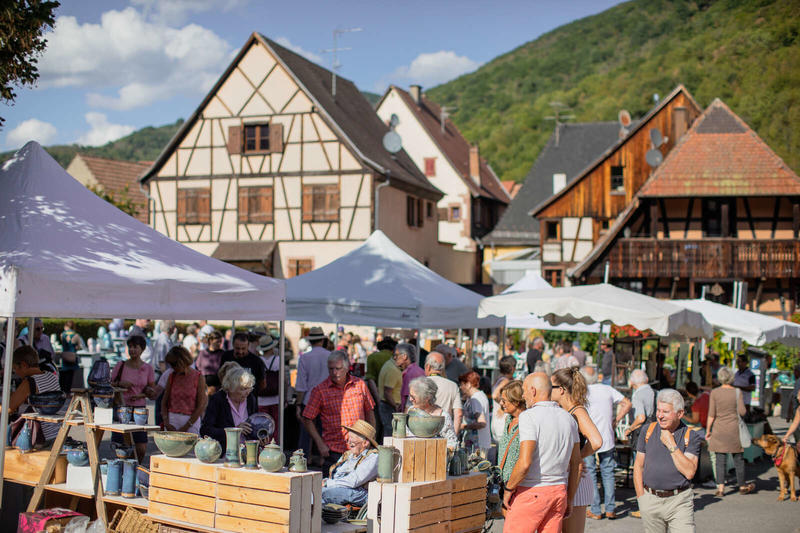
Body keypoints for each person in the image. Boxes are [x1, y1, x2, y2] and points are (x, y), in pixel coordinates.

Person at [502, 373, 581, 533]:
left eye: (524, 390)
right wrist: (570, 498)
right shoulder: (568, 418)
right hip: (558, 490)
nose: (523, 395)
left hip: (532, 490)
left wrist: (508, 489)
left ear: (533, 390)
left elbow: (525, 463)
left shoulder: (529, 417)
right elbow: (576, 463)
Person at [634, 389, 703, 533]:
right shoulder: (647, 430)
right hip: (650, 500)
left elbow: (690, 472)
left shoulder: (691, 436)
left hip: (679, 501)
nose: (659, 416)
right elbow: (638, 466)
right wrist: (641, 497)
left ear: (680, 414)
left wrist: (671, 444)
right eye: (658, 410)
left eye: (665, 412)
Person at [303, 351, 376, 472]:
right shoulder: (320, 390)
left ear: (347, 368)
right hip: (333, 452)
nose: (334, 372)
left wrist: (371, 438)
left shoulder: (360, 385)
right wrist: (319, 443)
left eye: (338, 368)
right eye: (331, 369)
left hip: (359, 450)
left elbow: (370, 411)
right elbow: (307, 418)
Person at [551, 367, 603, 533]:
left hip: (576, 480)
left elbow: (596, 441)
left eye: (550, 386)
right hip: (570, 477)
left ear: (561, 390)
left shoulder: (577, 411)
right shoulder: (566, 411)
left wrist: (577, 458)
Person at [581, 365, 631, 520]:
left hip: (589, 437)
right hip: (607, 436)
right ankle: (610, 509)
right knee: (608, 473)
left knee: (590, 473)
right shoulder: (607, 389)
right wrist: (616, 420)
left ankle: (595, 509)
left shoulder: (583, 392)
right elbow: (627, 403)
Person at [706, 366, 755, 496]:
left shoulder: (715, 392)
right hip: (734, 430)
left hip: (719, 429)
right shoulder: (737, 392)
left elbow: (711, 414)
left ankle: (721, 489)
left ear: (720, 378)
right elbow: (742, 412)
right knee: (738, 459)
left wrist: (708, 430)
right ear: (731, 378)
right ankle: (742, 486)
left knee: (720, 460)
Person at [111, 335, 158, 459]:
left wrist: (141, 395)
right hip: (121, 408)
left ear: (142, 349)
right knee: (121, 448)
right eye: (130, 347)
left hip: (139, 410)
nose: (132, 350)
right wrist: (120, 384)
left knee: (141, 447)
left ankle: (135, 470)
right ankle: (122, 472)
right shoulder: (120, 365)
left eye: (135, 347)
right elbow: (109, 384)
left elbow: (152, 391)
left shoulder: (148, 368)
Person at [8, 346, 61, 441]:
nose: (15, 372)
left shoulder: (29, 382)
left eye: (15, 368)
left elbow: (8, 408)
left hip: (43, 436)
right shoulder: (51, 376)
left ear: (24, 365)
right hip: (58, 432)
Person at [321, 420, 379, 507]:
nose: (348, 442)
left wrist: (327, 484)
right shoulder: (349, 455)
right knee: (313, 489)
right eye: (348, 438)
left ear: (365, 443)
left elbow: (353, 481)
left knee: (321, 493)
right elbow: (336, 475)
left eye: (352, 439)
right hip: (343, 488)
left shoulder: (373, 457)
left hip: (359, 493)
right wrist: (325, 482)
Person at [200, 362, 258, 448]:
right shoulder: (217, 400)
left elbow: (255, 425)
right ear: (231, 388)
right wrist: (235, 431)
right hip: (223, 451)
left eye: (249, 388)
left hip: (248, 452)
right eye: (243, 389)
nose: (247, 392)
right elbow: (206, 430)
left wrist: (261, 435)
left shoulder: (250, 399)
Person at [162, 346, 207, 435]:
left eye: (174, 364)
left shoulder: (198, 377)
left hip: (191, 421)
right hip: (172, 421)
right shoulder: (172, 376)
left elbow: (201, 405)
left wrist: (186, 426)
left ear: (182, 362)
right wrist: (166, 422)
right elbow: (164, 402)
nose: (172, 367)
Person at [406, 376, 458, 448]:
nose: (410, 399)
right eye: (410, 395)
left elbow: (451, 444)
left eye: (413, 397)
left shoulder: (443, 417)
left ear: (427, 398)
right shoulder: (411, 411)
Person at [424, 351, 463, 434]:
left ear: (428, 367)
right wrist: (454, 436)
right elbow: (458, 414)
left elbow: (410, 409)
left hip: (423, 431)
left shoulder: (419, 384)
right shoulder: (453, 386)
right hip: (445, 432)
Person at [363, 337, 396, 435]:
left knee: (376, 425)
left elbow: (370, 379)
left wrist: (377, 397)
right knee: (389, 427)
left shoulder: (372, 357)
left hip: (376, 395)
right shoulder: (394, 358)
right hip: (392, 398)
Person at [377, 343, 411, 437]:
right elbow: (387, 392)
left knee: (388, 432)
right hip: (389, 405)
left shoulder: (390, 365)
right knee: (389, 433)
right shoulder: (392, 369)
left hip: (387, 404)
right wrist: (396, 407)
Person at [221, 332, 267, 398]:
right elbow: (221, 376)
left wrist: (249, 392)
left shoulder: (256, 361)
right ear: (233, 345)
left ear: (248, 346)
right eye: (237, 348)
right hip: (229, 399)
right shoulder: (226, 356)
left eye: (243, 348)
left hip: (249, 400)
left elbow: (263, 384)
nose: (240, 351)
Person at [496, 380, 525, 484]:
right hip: (502, 482)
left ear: (516, 402)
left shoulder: (527, 424)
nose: (501, 403)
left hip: (517, 484)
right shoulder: (508, 419)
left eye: (504, 401)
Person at [256, 334, 281, 442]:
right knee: (275, 425)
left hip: (261, 399)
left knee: (262, 426)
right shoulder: (278, 360)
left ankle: (263, 446)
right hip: (275, 398)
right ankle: (274, 445)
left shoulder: (257, 360)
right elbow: (283, 380)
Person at [459, 371, 491, 454]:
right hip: (479, 443)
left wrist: (464, 426)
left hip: (476, 445)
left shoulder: (475, 399)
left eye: (462, 384)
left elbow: (482, 423)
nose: (460, 387)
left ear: (468, 384)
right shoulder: (480, 395)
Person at [624, 369, 656, 444]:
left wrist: (629, 430)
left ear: (631, 382)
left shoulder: (637, 396)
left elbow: (641, 418)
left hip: (642, 436)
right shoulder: (656, 393)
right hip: (655, 433)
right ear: (647, 379)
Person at [491, 356, 516, 443]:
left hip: (496, 419)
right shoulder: (505, 381)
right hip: (502, 420)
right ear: (512, 368)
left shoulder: (498, 379)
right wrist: (503, 406)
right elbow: (495, 395)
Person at [195, 329, 225, 393]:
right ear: (211, 341)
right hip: (204, 387)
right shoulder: (202, 353)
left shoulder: (223, 354)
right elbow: (197, 369)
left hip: (218, 388)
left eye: (220, 342)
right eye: (217, 342)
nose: (219, 344)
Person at [399, 345, 425, 411]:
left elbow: (408, 399)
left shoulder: (410, 373)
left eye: (397, 355)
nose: (395, 358)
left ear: (404, 356)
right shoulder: (419, 370)